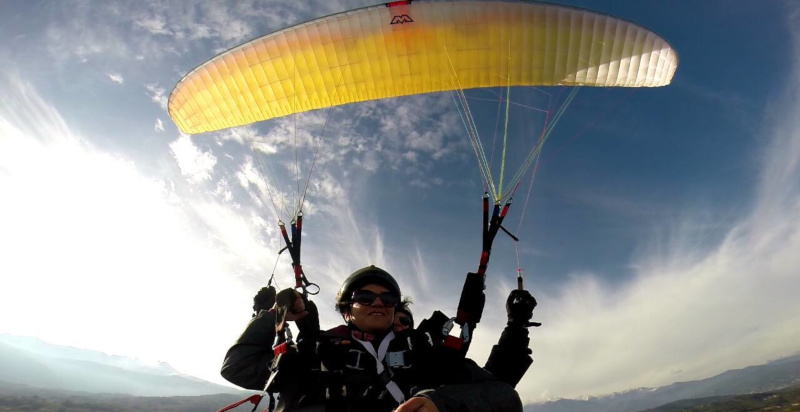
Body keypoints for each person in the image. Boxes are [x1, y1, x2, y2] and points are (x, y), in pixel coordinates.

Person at [221, 265, 523, 412]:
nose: (377, 303)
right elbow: (237, 367)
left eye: (387, 297)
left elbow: (505, 395)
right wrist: (274, 314)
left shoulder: (424, 354)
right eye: (364, 297)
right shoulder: (317, 351)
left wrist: (441, 403)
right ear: (345, 311)